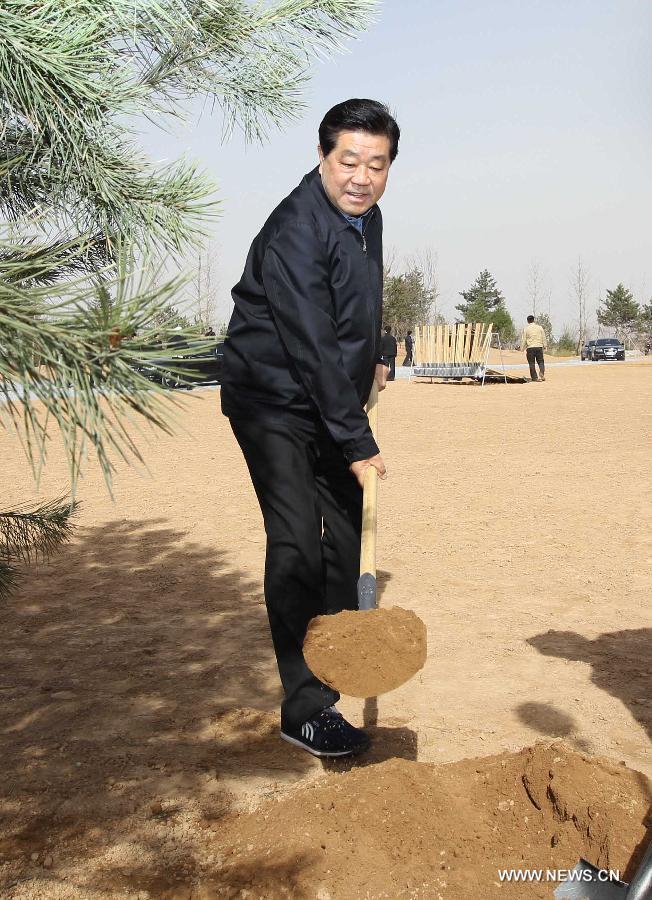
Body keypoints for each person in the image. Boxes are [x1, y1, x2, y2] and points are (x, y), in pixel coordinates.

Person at [221, 99, 400, 758]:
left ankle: (332, 654)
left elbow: (360, 299)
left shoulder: (367, 219)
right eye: (347, 160)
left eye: (375, 165)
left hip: (329, 398)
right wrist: (356, 442)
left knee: (350, 534)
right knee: (296, 539)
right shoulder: (297, 227)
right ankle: (304, 706)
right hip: (270, 398)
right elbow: (311, 341)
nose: (361, 177)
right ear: (323, 157)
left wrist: (380, 347)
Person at [521, 315, 547, 382]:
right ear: (534, 320)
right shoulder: (540, 327)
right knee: (541, 362)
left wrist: (522, 348)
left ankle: (535, 378)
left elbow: (524, 339)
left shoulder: (526, 329)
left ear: (528, 321)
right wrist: (545, 346)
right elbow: (543, 337)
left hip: (530, 348)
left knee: (531, 363)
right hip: (539, 347)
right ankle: (541, 372)